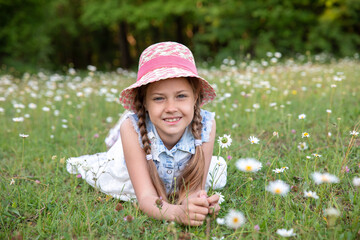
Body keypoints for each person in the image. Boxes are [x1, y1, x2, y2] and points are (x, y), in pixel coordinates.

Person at [67, 42, 227, 226]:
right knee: (111, 163)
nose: (171, 108)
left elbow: (192, 190)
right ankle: (115, 141)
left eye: (181, 96)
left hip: (173, 169)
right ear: (143, 101)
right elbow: (145, 197)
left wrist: (197, 205)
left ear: (196, 95)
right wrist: (177, 213)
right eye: (159, 98)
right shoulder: (131, 129)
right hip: (136, 163)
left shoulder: (206, 125)